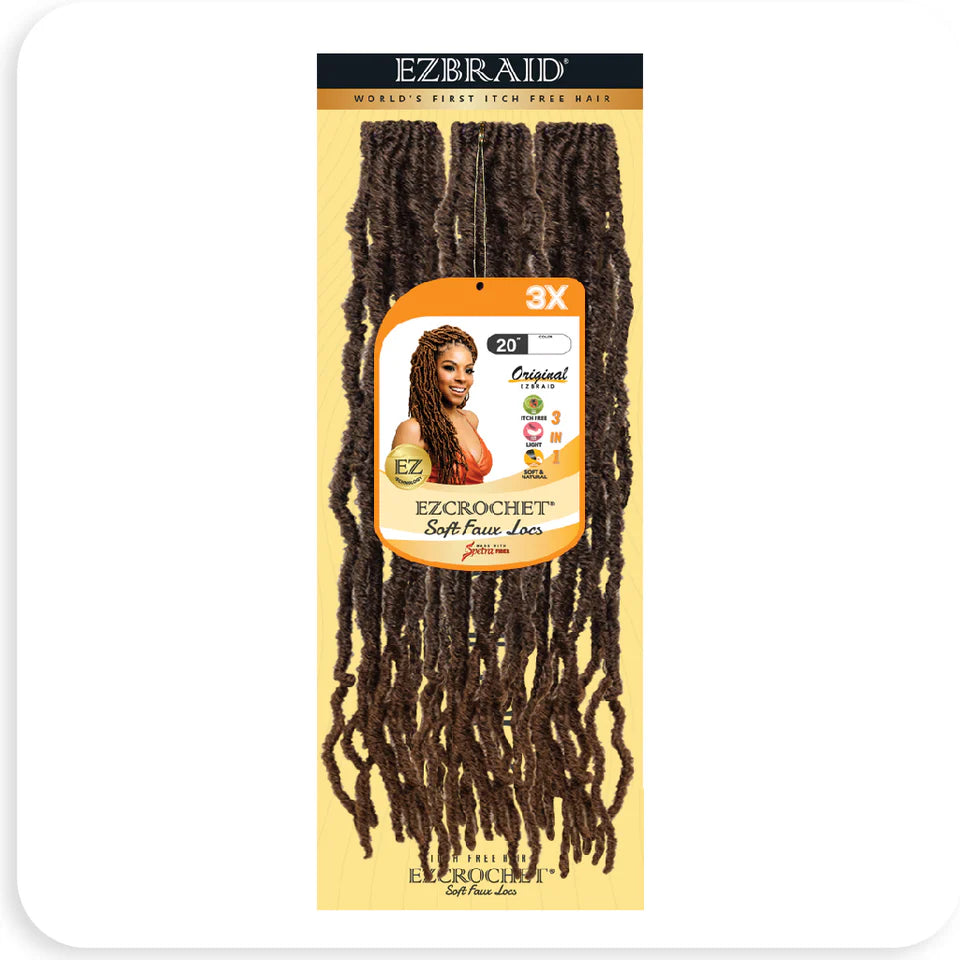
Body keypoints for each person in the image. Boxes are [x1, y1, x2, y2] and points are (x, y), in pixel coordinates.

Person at [392, 325, 492, 485]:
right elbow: (400, 495)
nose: (462, 378)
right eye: (450, 368)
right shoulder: (413, 430)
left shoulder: (470, 419)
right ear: (429, 370)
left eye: (468, 370)